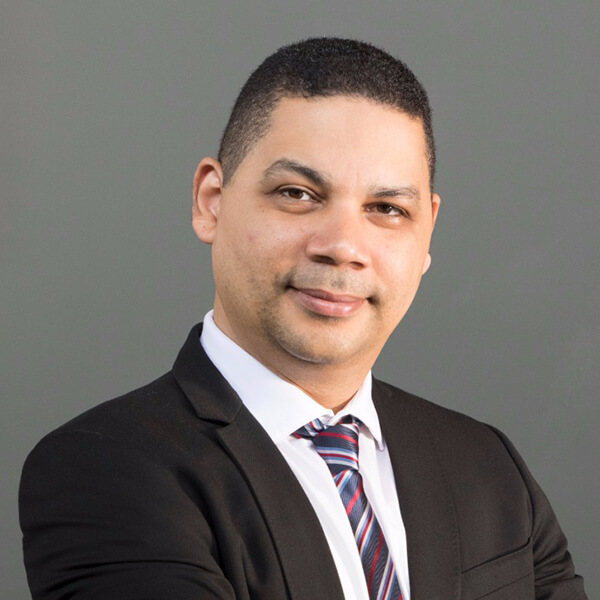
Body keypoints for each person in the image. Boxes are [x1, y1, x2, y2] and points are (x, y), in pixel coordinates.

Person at [19, 37, 587, 600]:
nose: (343, 246)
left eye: (387, 209)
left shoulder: (488, 466)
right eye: (297, 193)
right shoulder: (103, 468)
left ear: (427, 234)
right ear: (211, 200)